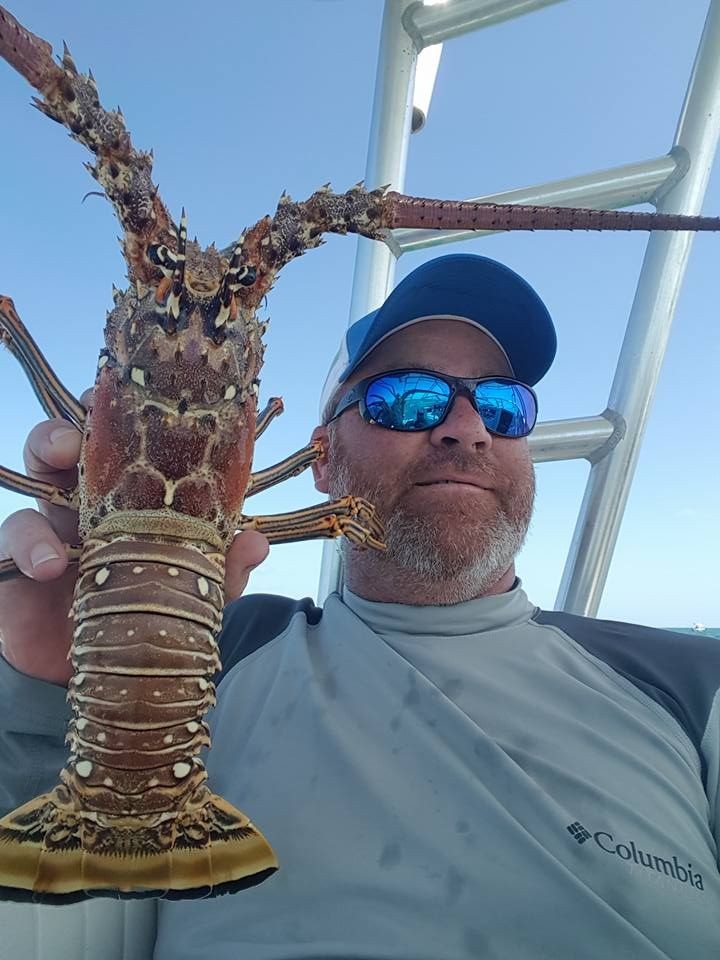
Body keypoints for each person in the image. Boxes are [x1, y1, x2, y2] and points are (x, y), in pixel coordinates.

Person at [0, 253, 718, 959]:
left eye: (503, 406)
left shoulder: (689, 682)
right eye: (405, 398)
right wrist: (36, 686)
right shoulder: (226, 645)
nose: (466, 428)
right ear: (318, 457)